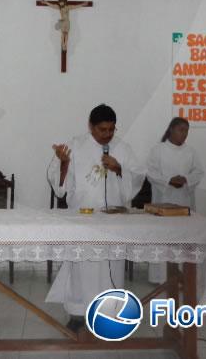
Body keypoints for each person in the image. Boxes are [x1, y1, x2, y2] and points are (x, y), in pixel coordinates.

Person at [45, 104, 145, 331]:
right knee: (83, 267)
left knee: (112, 265)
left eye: (111, 129)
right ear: (91, 127)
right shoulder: (75, 145)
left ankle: (111, 313)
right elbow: (59, 186)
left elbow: (137, 177)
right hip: (84, 217)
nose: (107, 135)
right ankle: (78, 314)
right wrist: (63, 162)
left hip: (114, 221)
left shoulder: (123, 148)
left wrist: (119, 169)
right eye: (102, 129)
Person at [146, 117, 204, 283]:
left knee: (183, 238)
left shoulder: (191, 152)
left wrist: (185, 179)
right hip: (163, 198)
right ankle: (160, 276)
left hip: (184, 200)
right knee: (163, 237)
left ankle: (183, 274)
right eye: (181, 130)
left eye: (186, 131)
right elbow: (150, 172)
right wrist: (169, 181)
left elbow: (199, 172)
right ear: (171, 129)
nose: (184, 134)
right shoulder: (158, 150)